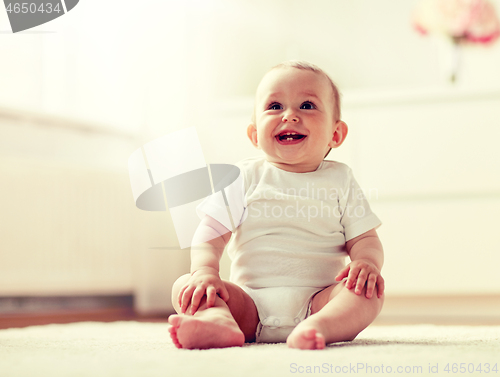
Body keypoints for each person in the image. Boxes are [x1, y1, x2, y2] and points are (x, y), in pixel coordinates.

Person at [168, 61, 385, 350]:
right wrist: (205, 272)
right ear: (255, 135)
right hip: (249, 303)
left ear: (336, 134)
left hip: (320, 301)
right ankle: (220, 322)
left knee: (369, 292)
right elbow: (210, 233)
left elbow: (365, 238)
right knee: (185, 285)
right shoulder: (242, 177)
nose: (290, 115)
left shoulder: (341, 179)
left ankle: (321, 327)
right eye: (274, 106)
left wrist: (367, 263)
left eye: (307, 106)